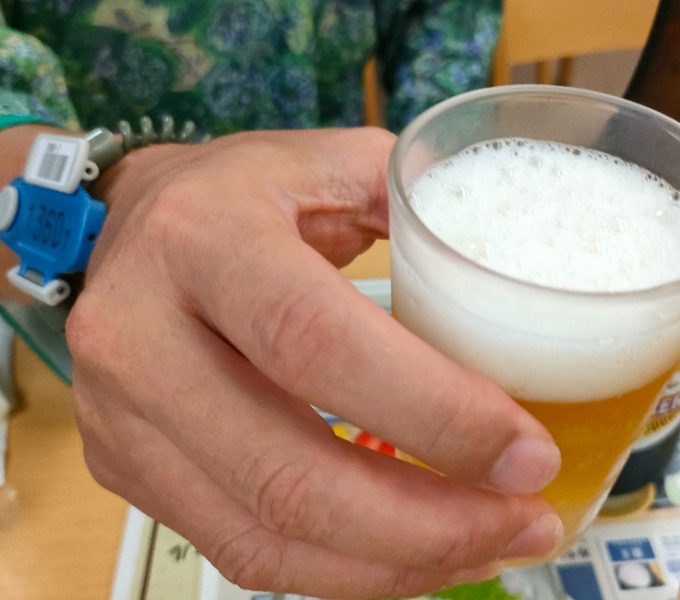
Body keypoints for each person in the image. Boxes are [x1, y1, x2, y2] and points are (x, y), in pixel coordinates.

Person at [0, 2, 564, 598]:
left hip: (348, 263)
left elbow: (443, 20)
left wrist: (435, 153)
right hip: (106, 347)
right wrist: (113, 202)